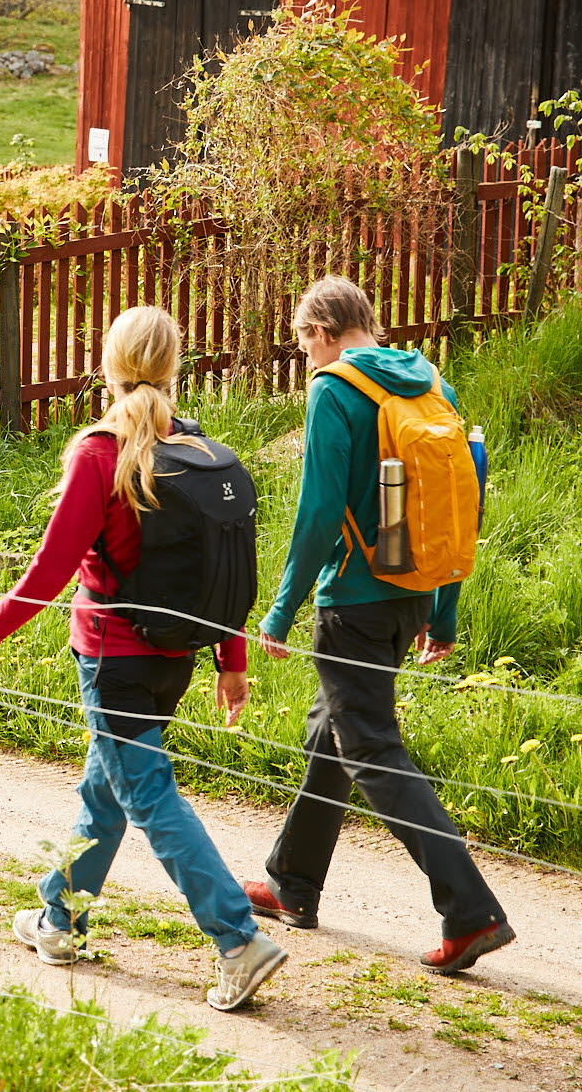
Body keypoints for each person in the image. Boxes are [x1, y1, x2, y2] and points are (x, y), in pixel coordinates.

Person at [0, 305, 287, 1013]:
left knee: (147, 798)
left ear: (107, 365)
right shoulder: (198, 448)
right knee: (104, 792)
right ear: (174, 366)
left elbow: (51, 565)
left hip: (112, 658)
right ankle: (60, 917)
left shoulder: (100, 452)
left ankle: (238, 937)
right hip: (175, 655)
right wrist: (232, 660)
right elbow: (227, 564)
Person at [249, 276, 514, 974]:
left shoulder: (335, 389)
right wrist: (442, 611)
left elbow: (318, 510)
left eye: (306, 341)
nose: (307, 356)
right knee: (330, 729)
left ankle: (471, 910)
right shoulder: (430, 383)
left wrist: (281, 607)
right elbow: (463, 500)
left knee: (370, 745)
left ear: (325, 331)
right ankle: (291, 882)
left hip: (356, 600)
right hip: (410, 594)